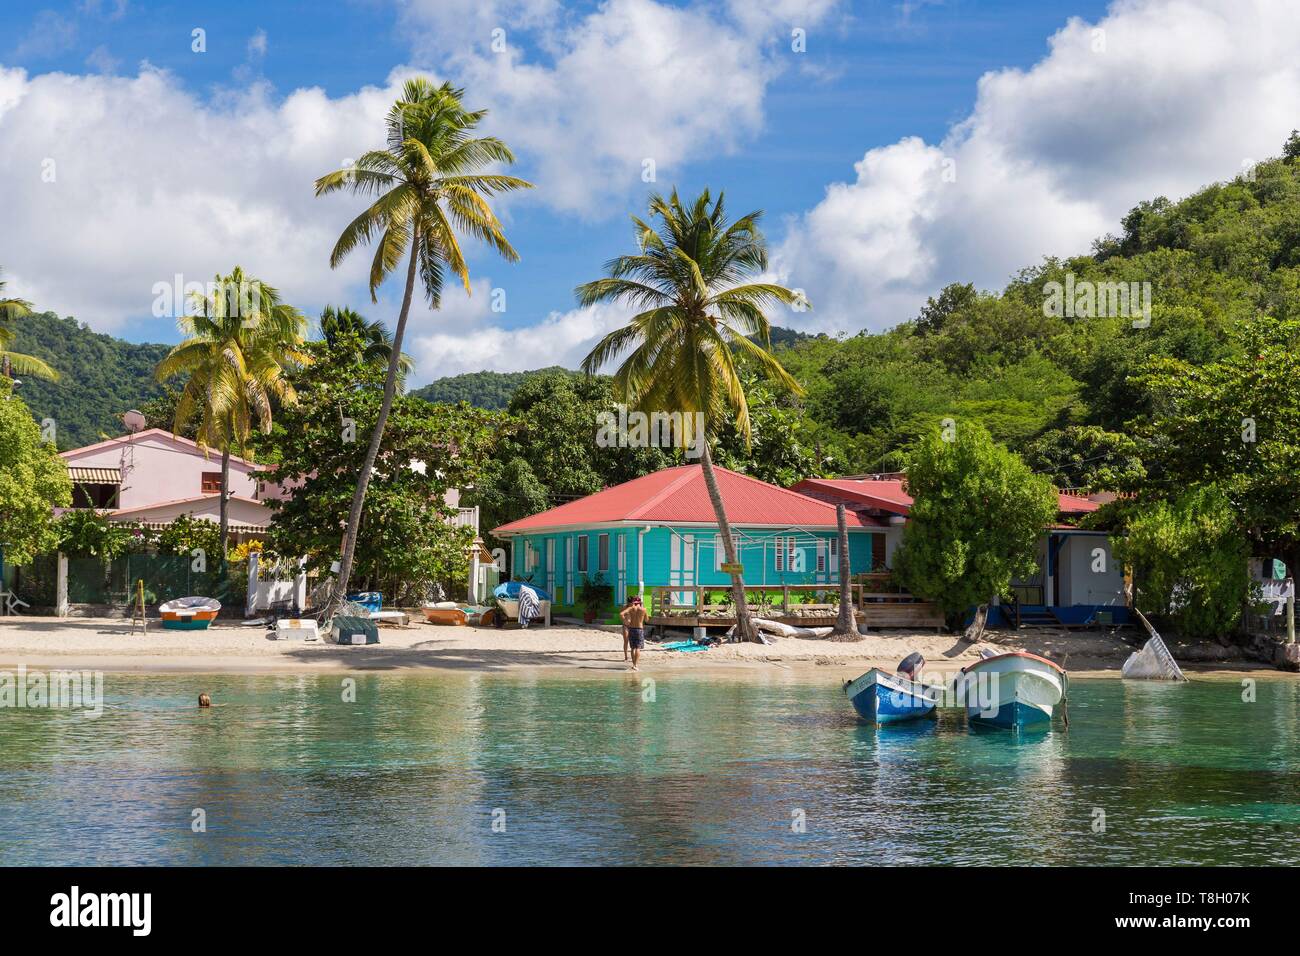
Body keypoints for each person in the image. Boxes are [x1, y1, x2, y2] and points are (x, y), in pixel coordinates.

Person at [620, 596, 648, 671]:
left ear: (634, 602)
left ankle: (633, 664)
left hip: (631, 628)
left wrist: (625, 621)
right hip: (639, 629)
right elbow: (647, 620)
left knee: (633, 648)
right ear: (640, 602)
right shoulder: (643, 609)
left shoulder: (630, 608)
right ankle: (636, 665)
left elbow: (621, 614)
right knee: (638, 648)